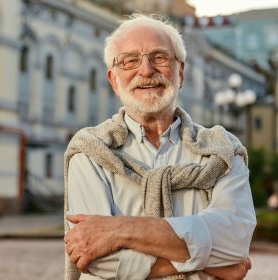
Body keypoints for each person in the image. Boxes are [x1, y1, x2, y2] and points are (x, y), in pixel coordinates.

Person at [63, 14, 256, 280]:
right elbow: (94, 259)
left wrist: (119, 230)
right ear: (113, 80)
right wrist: (209, 261)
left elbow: (234, 242)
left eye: (160, 57)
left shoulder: (221, 150)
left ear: (181, 72)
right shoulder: (89, 152)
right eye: (130, 60)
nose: (146, 70)